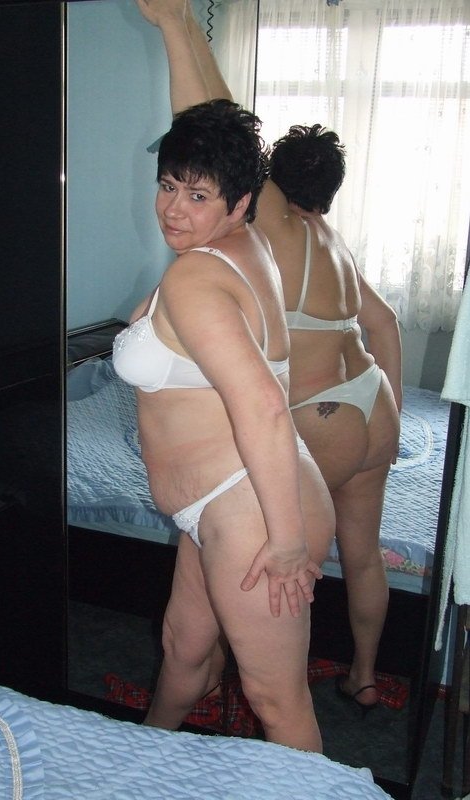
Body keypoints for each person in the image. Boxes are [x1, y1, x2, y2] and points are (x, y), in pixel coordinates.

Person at [135, 0, 402, 712]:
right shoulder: (334, 245)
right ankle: (365, 675)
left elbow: (217, 120)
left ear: (260, 188)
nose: (178, 202)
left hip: (312, 421)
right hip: (371, 402)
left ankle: (247, 693)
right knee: (364, 555)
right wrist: (397, 409)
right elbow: (385, 323)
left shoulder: (265, 222)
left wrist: (177, 28)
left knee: (255, 607)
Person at [113, 98, 335, 751]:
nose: (173, 209)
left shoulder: (197, 276)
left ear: (240, 203)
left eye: (198, 195)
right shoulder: (246, 246)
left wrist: (288, 542)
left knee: (276, 699)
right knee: (184, 647)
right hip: (223, 506)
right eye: (168, 186)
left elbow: (263, 404)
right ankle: (146, 760)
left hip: (252, 512)